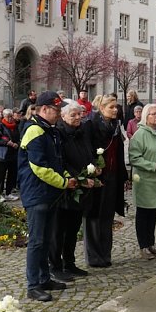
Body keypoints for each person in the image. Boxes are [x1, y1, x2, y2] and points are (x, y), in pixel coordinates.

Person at [18, 91, 77, 302]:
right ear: (44, 109)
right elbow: (38, 167)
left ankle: (44, 279)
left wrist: (67, 176)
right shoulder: (35, 130)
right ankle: (33, 285)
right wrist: (63, 182)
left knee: (45, 240)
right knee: (36, 241)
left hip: (49, 194)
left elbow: (57, 161)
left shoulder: (49, 130)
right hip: (37, 194)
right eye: (56, 110)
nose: (59, 114)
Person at [52, 102, 95, 280]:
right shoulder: (59, 134)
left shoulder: (81, 131)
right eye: (73, 115)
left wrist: (93, 167)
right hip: (65, 188)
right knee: (58, 231)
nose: (78, 118)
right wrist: (79, 178)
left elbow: (87, 152)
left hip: (80, 188)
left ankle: (69, 263)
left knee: (72, 229)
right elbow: (62, 161)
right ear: (63, 116)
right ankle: (55, 266)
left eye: (79, 114)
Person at [83, 95, 127, 268]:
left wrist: (123, 176)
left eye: (116, 107)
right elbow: (86, 148)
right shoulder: (90, 125)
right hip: (97, 176)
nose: (115, 110)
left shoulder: (115, 125)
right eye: (112, 107)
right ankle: (93, 256)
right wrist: (93, 167)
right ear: (102, 108)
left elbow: (119, 152)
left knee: (107, 217)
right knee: (94, 216)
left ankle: (105, 253)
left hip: (112, 175)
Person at [129, 103, 156, 260]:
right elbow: (134, 158)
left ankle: (151, 244)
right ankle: (143, 246)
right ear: (146, 117)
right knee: (143, 214)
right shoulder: (140, 135)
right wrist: (154, 165)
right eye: (153, 114)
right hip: (145, 181)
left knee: (153, 214)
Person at [0, 109, 20, 201]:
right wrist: (7, 143)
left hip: (13, 153)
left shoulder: (15, 126)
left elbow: (18, 137)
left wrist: (17, 143)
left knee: (12, 174)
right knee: (1, 174)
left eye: (11, 116)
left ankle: (8, 192)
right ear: (4, 117)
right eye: (8, 116)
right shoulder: (0, 126)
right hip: (3, 154)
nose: (10, 118)